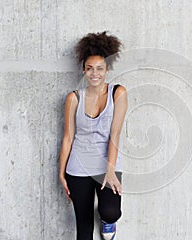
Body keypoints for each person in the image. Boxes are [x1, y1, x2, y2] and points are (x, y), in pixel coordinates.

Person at [59, 31, 127, 240]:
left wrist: (110, 170)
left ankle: (108, 223)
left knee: (110, 211)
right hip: (78, 168)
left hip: (108, 165)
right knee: (84, 230)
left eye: (99, 68)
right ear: (83, 70)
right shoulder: (73, 98)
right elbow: (68, 137)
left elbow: (115, 133)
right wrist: (61, 173)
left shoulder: (118, 93)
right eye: (90, 69)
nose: (94, 73)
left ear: (107, 69)